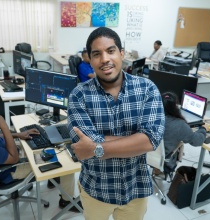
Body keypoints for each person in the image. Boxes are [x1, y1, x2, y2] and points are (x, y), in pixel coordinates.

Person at [67, 27, 165, 220]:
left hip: (135, 189)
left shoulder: (147, 89)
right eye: (97, 54)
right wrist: (134, 140)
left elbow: (150, 141)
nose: (104, 59)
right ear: (90, 59)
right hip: (95, 190)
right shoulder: (79, 95)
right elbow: (82, 143)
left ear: (121, 53)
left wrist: (96, 148)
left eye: (110, 51)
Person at [0, 93, 82, 212]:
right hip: (8, 170)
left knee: (46, 143)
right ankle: (67, 202)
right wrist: (5, 127)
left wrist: (18, 135)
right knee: (65, 162)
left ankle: (52, 179)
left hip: (1, 155)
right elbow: (14, 158)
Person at [157, 92, 210, 175]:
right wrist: (203, 129)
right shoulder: (180, 125)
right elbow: (197, 141)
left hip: (146, 157)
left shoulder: (150, 117)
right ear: (176, 107)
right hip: (166, 162)